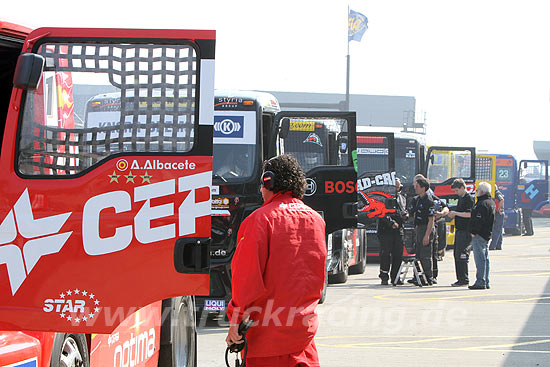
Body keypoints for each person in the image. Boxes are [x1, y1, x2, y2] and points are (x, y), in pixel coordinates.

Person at [226, 154, 326, 366]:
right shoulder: (316, 220)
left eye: (262, 184)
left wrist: (236, 321)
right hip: (303, 341)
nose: (261, 191)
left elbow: (246, 280)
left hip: (266, 344)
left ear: (269, 181)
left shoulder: (259, 221)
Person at [377, 178, 408, 285]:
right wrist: (391, 223)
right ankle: (384, 277)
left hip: (398, 231)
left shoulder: (402, 198)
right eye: (395, 187)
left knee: (398, 255)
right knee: (385, 254)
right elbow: (381, 213)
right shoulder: (382, 198)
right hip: (386, 231)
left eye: (398, 187)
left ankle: (396, 277)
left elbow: (404, 210)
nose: (397, 189)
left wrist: (406, 215)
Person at [469, 181, 496, 290]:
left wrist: (474, 231)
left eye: (477, 190)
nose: (476, 192)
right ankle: (485, 280)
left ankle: (481, 281)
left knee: (480, 258)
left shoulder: (482, 204)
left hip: (480, 235)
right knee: (485, 258)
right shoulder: (491, 202)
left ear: (481, 191)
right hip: (486, 234)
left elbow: (479, 220)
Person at [447, 178, 474, 286]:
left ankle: (464, 278)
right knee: (456, 254)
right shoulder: (461, 198)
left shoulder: (468, 199)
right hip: (459, 230)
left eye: (457, 190)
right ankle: (460, 277)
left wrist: (456, 213)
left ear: (463, 188)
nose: (456, 193)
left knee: (462, 254)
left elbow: (469, 214)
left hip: (466, 230)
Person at [409, 174, 435, 285]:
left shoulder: (428, 200)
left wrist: (427, 235)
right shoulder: (418, 199)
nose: (415, 188)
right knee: (418, 254)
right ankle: (418, 277)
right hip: (418, 228)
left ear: (423, 188)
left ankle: (429, 277)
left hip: (426, 228)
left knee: (425, 255)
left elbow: (431, 220)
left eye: (417, 186)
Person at [430, 191, 449, 284]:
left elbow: (446, 208)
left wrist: (440, 213)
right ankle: (418, 275)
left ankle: (433, 275)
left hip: (433, 227)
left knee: (433, 253)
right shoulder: (415, 199)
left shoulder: (433, 198)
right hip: (420, 228)